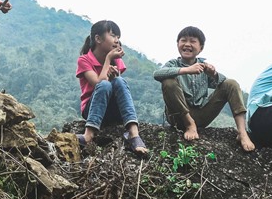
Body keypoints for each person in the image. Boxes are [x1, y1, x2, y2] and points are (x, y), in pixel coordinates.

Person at [153, 26, 255, 150]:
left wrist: (214, 74)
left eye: (192, 41)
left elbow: (225, 85)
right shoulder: (173, 64)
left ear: (201, 48)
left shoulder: (203, 67)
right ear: (177, 44)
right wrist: (186, 70)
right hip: (178, 116)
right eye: (183, 40)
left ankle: (242, 132)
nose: (187, 44)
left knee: (231, 83)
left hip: (202, 114)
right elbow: (157, 74)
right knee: (168, 82)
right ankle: (189, 124)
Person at [76, 20, 149, 156]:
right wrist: (108, 59)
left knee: (119, 81)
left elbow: (117, 86)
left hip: (114, 112)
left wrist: (113, 69)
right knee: (104, 84)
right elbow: (99, 84)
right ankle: (88, 135)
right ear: (98, 38)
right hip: (93, 111)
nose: (116, 40)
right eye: (113, 36)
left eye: (118, 38)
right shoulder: (84, 60)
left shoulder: (117, 59)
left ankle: (134, 134)